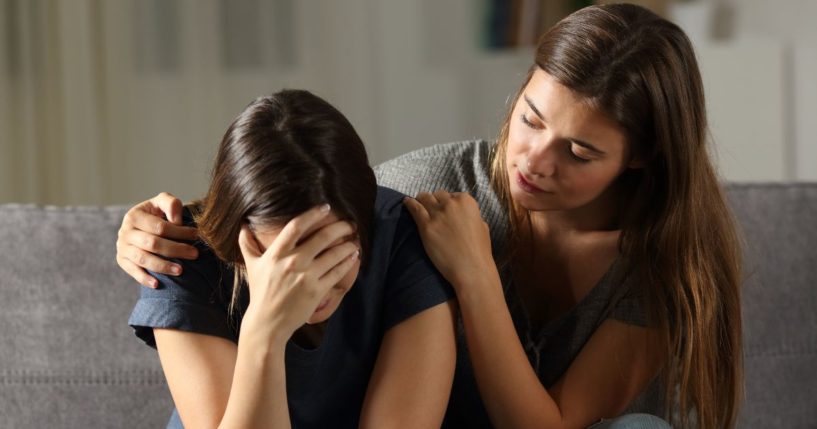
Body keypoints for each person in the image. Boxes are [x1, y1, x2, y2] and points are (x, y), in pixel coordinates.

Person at [117, 5, 742, 428]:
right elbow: (308, 191)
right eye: (529, 117)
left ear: (641, 159)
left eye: (579, 152)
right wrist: (144, 230)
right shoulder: (421, 192)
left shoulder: (669, 265)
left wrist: (474, 276)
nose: (535, 160)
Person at [125, 89, 458, 428]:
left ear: (363, 224)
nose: (311, 284)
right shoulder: (178, 253)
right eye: (285, 259)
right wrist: (265, 330)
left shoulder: (403, 238)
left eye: (332, 253)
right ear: (240, 236)